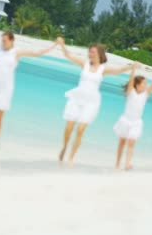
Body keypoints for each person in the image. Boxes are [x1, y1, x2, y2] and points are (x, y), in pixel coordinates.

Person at [0, 17, 58, 146]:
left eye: (5, 41)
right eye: (2, 40)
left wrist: (54, 45)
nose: (3, 43)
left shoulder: (16, 53)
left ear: (12, 41)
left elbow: (36, 53)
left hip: (5, 89)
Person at [56, 37, 132, 167]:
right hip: (77, 98)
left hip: (91, 102)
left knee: (80, 130)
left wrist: (131, 66)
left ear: (99, 54)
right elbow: (68, 55)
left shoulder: (103, 69)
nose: (90, 54)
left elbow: (118, 70)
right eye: (89, 52)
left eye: (93, 52)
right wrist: (62, 45)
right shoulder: (84, 63)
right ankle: (64, 147)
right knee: (69, 128)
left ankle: (71, 157)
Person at [114, 62, 152, 170]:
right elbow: (131, 80)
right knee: (122, 143)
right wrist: (133, 69)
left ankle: (127, 164)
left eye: (146, 84)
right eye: (144, 83)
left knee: (131, 143)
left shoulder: (145, 95)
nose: (146, 85)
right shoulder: (130, 93)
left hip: (136, 123)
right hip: (125, 121)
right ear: (137, 85)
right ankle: (117, 163)